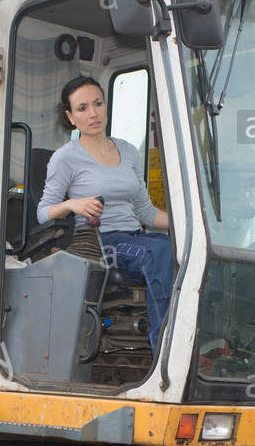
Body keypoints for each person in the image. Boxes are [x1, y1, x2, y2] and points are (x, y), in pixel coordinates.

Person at [37, 76, 173, 351]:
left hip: (136, 237)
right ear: (71, 117)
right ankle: (165, 350)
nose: (94, 113)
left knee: (186, 249)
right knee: (161, 254)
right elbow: (43, 212)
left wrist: (191, 225)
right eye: (83, 108)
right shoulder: (66, 158)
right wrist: (72, 205)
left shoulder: (128, 151)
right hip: (104, 243)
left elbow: (146, 212)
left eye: (98, 104)